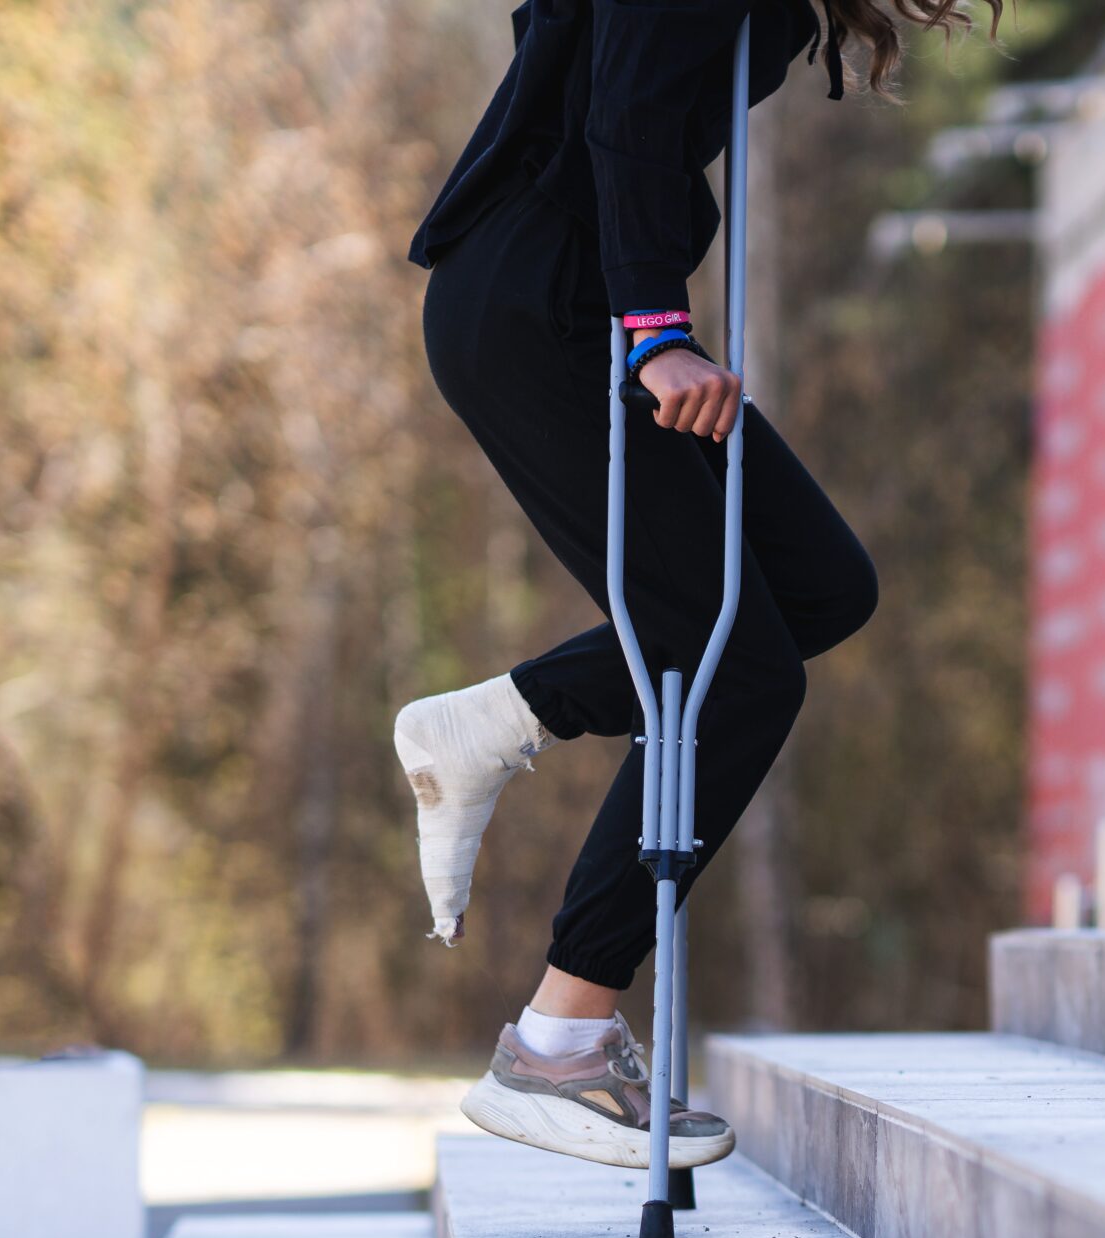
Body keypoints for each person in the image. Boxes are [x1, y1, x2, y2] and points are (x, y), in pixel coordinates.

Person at [399, 0, 992, 1171]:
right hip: (552, 311)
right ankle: (558, 1040)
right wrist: (656, 327)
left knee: (818, 587)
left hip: (564, 297)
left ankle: (502, 717)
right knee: (740, 675)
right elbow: (623, 116)